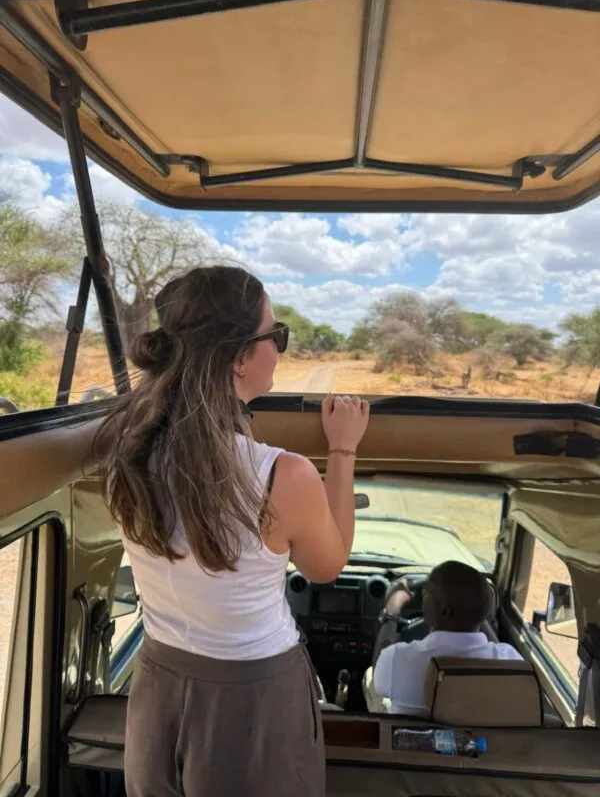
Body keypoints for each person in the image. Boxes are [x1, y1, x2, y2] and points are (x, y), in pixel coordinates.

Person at [93, 265, 369, 797]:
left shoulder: (126, 451)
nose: (280, 350)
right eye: (276, 335)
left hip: (156, 685)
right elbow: (326, 566)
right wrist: (343, 448)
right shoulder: (279, 474)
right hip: (254, 698)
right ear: (241, 356)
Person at [363, 560, 523, 715]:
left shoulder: (397, 660)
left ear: (445, 611)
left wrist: (392, 610)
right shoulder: (510, 661)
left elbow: (379, 674)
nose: (423, 596)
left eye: (426, 593)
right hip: (481, 741)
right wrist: (477, 613)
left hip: (414, 739)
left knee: (371, 675)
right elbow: (500, 657)